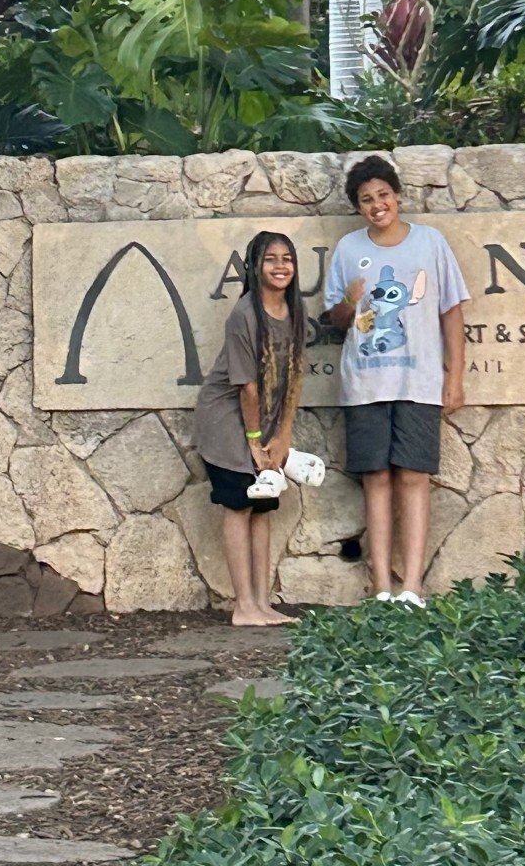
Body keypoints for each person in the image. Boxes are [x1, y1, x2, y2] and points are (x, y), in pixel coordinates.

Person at [321, 154, 468, 608]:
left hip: (419, 381)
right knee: (376, 479)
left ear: (398, 196)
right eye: (366, 199)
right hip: (365, 384)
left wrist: (455, 376)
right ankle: (382, 584)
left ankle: (413, 586)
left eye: (383, 194)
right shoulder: (347, 250)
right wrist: (348, 302)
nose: (377, 204)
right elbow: (336, 320)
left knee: (414, 477)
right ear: (358, 207)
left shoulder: (430, 243)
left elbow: (452, 310)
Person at [192, 230, 306, 628]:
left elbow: (294, 376)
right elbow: (247, 387)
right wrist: (256, 442)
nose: (280, 266)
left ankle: (262, 603)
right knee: (240, 504)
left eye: (287, 258)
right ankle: (243, 606)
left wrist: (284, 435)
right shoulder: (245, 314)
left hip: (265, 422)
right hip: (228, 419)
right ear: (255, 267)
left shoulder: (295, 311)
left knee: (263, 507)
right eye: (270, 259)